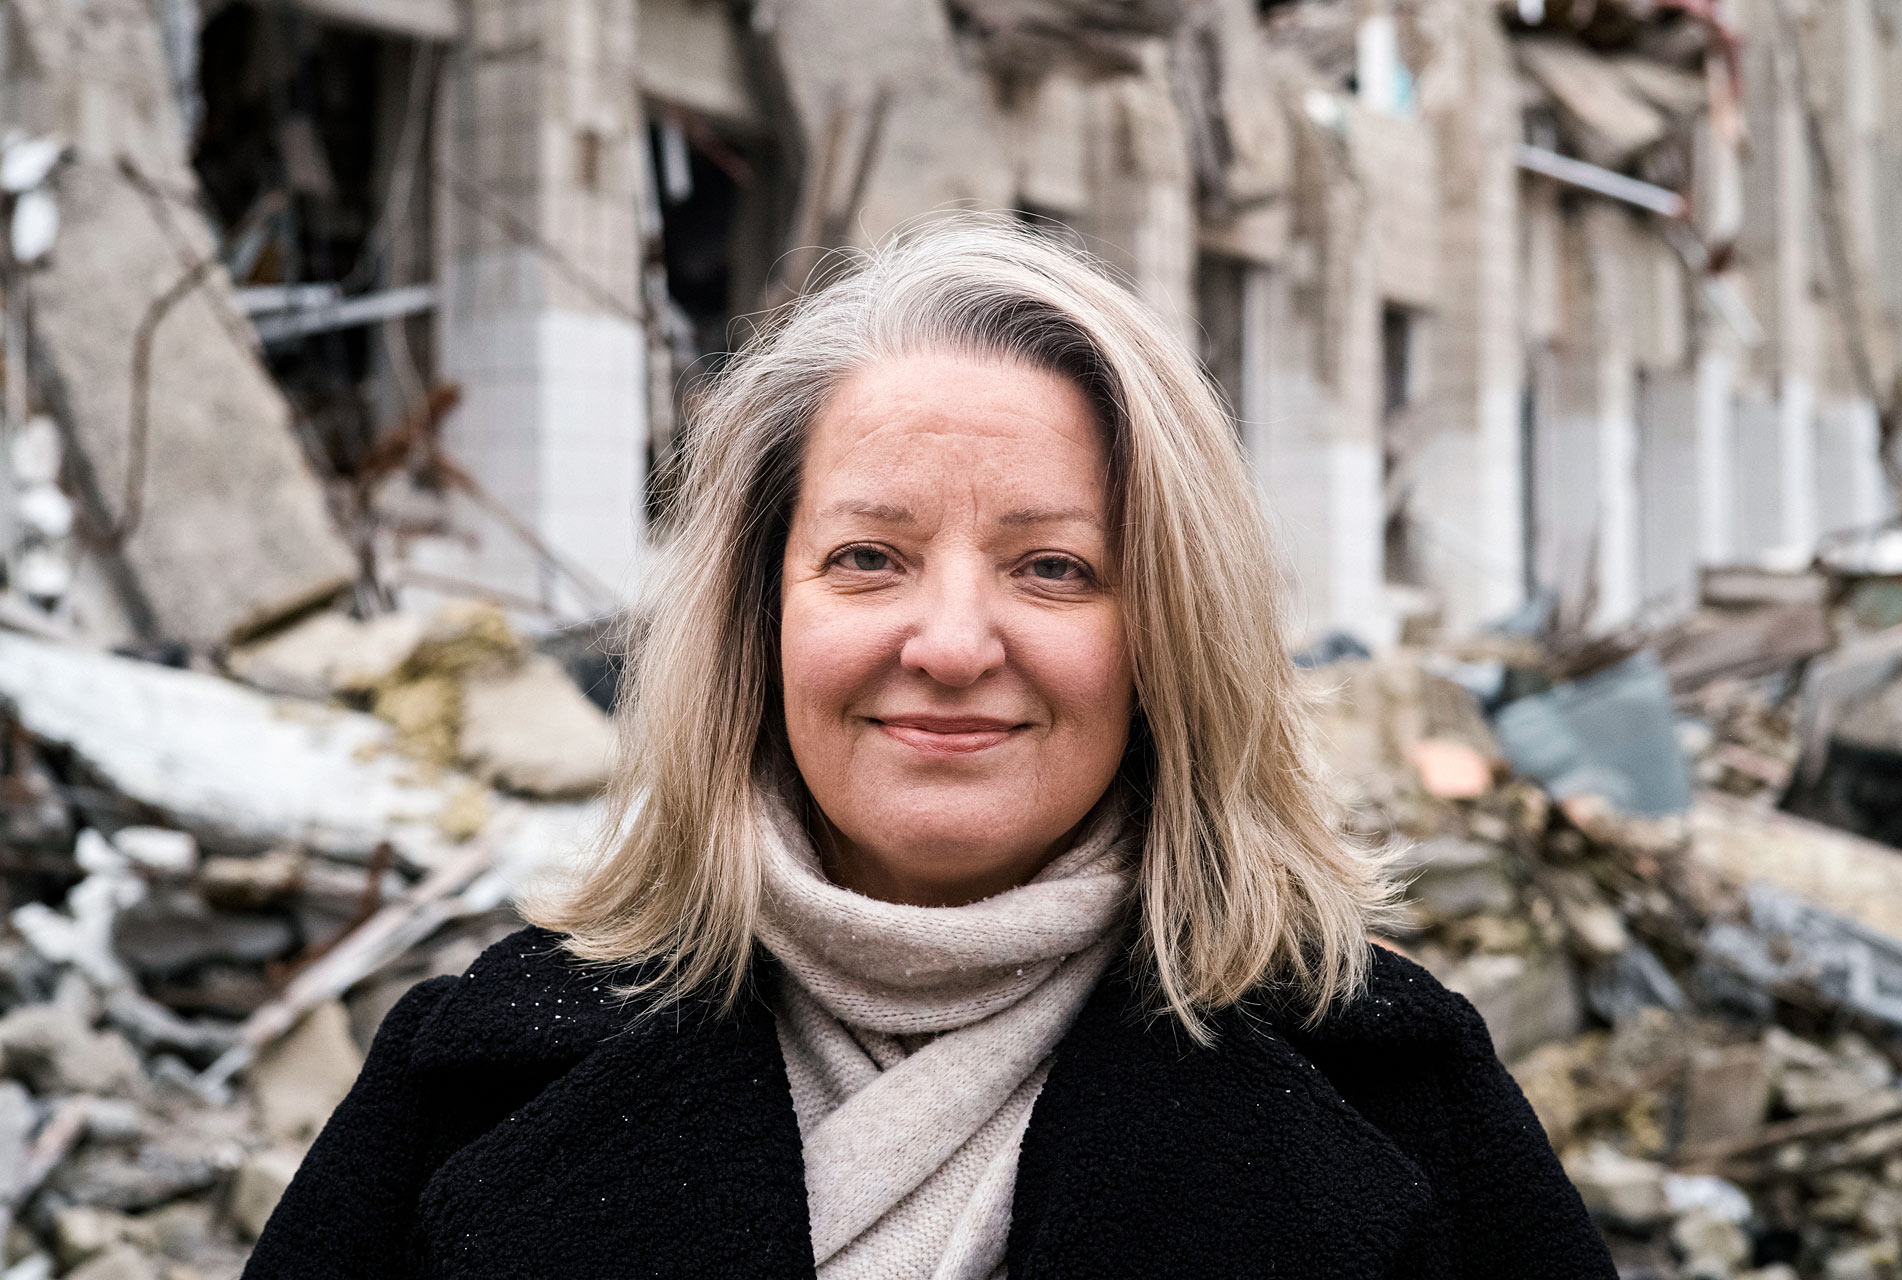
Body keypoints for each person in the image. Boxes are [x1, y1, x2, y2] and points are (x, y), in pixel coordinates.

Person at [244, 220, 1615, 1279]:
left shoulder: (1397, 1094)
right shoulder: (473, 1078)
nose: (953, 642)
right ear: (755, 621)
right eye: (868, 558)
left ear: (1172, 636)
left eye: (1056, 569)